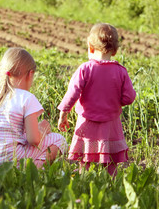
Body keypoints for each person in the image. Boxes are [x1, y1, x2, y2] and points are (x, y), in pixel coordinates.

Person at [57, 23, 136, 177]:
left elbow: (72, 94)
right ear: (114, 51)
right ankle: (111, 182)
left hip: (87, 122)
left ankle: (83, 179)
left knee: (85, 157)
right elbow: (129, 97)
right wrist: (115, 100)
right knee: (111, 159)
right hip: (111, 123)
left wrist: (63, 114)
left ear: (91, 48)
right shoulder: (121, 71)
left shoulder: (85, 69)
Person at [0, 47, 67, 168]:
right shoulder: (26, 98)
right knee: (58, 139)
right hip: (8, 162)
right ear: (30, 74)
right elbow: (34, 140)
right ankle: (33, 172)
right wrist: (43, 130)